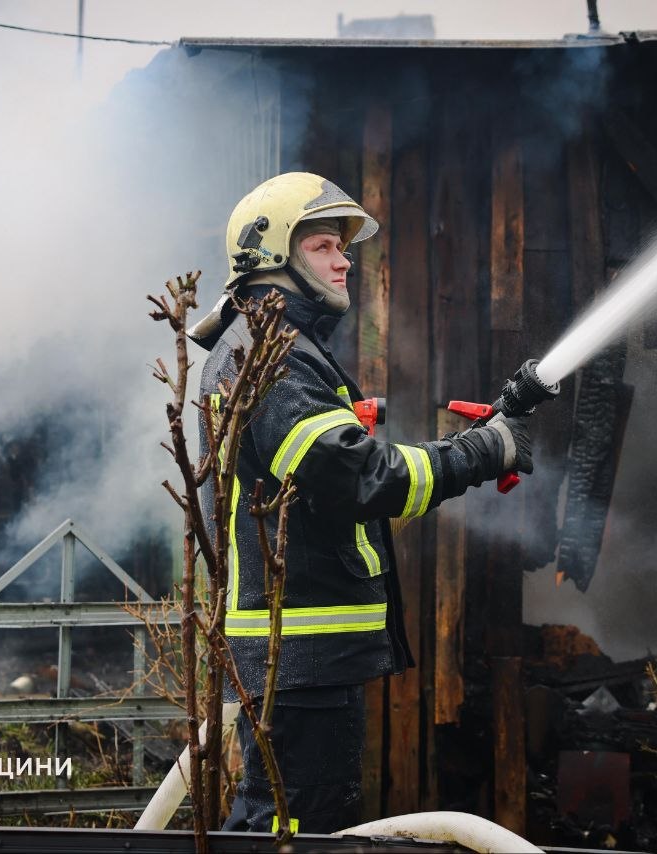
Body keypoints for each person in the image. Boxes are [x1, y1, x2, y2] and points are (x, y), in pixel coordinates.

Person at [189, 172, 534, 834]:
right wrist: (482, 453)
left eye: (341, 247)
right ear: (271, 255)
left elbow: (348, 481)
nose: (344, 259)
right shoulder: (271, 356)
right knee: (288, 830)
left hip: (302, 657)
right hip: (298, 657)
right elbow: (361, 480)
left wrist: (472, 447)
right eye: (322, 245)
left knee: (288, 824)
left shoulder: (277, 350)